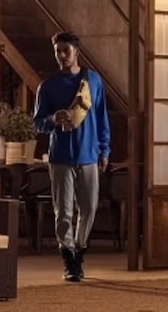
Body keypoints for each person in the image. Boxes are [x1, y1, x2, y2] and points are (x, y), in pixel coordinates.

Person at [33, 31, 110, 282]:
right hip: (60, 157)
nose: (62, 55)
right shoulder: (47, 86)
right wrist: (53, 118)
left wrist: (105, 149)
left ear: (77, 52)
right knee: (63, 212)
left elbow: (101, 117)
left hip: (89, 155)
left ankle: (79, 249)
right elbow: (38, 122)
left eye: (66, 50)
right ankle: (68, 258)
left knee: (89, 208)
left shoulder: (93, 81)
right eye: (58, 51)